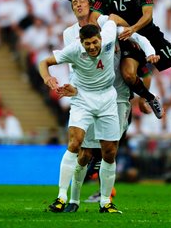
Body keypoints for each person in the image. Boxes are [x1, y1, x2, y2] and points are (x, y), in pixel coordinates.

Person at [58, 0, 159, 212]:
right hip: (85, 96)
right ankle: (73, 200)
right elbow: (70, 63)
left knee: (109, 151)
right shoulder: (69, 33)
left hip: (113, 97)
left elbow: (135, 34)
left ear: (91, 4)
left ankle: (106, 200)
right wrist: (71, 86)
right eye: (74, 2)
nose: (78, 5)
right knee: (83, 152)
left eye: (82, 1)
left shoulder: (107, 24)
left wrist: (150, 51)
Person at [49, 0, 163, 118]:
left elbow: (115, 19)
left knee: (134, 73)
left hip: (119, 35)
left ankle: (145, 98)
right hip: (103, 42)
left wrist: (125, 32)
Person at [39, 21, 122, 214]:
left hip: (107, 98)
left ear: (101, 38)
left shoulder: (109, 36)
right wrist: (47, 78)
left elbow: (112, 20)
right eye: (88, 43)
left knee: (109, 152)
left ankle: (105, 202)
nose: (92, 47)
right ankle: (61, 197)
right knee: (75, 143)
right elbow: (44, 62)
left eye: (95, 42)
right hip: (81, 98)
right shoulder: (74, 50)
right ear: (81, 42)